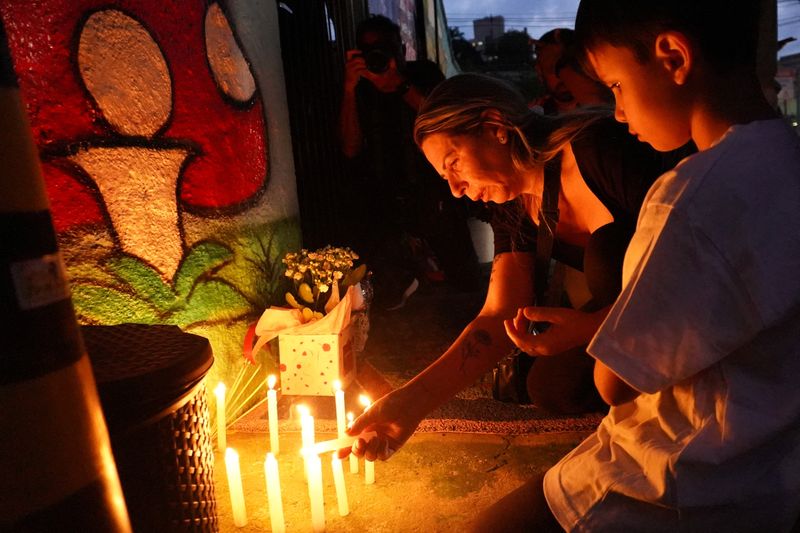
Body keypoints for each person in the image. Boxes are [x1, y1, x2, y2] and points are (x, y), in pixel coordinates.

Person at [476, 1, 800, 531]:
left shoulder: (685, 197)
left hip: (676, 480)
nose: (618, 112)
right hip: (772, 477)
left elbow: (612, 383)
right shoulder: (785, 160)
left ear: (672, 56)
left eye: (618, 86)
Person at [343, 72, 692, 458]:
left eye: (454, 162)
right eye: (445, 176)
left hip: (687, 304)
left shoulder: (598, 150)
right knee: (550, 386)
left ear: (496, 127)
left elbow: (699, 259)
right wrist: (409, 405)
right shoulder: (514, 202)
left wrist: (593, 326)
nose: (455, 189)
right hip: (624, 314)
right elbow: (499, 315)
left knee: (608, 263)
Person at [338, 14, 480, 309]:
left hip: (435, 193)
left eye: (385, 47)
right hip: (383, 197)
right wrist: (349, 90)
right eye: (369, 51)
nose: (379, 57)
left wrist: (400, 86)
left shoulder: (423, 74)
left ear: (401, 48)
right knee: (391, 292)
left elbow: (449, 120)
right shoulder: (359, 87)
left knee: (464, 278)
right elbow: (350, 148)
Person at [531, 28, 578, 114]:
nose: (561, 75)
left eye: (568, 65)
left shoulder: (606, 111)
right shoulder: (534, 117)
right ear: (540, 72)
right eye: (551, 68)